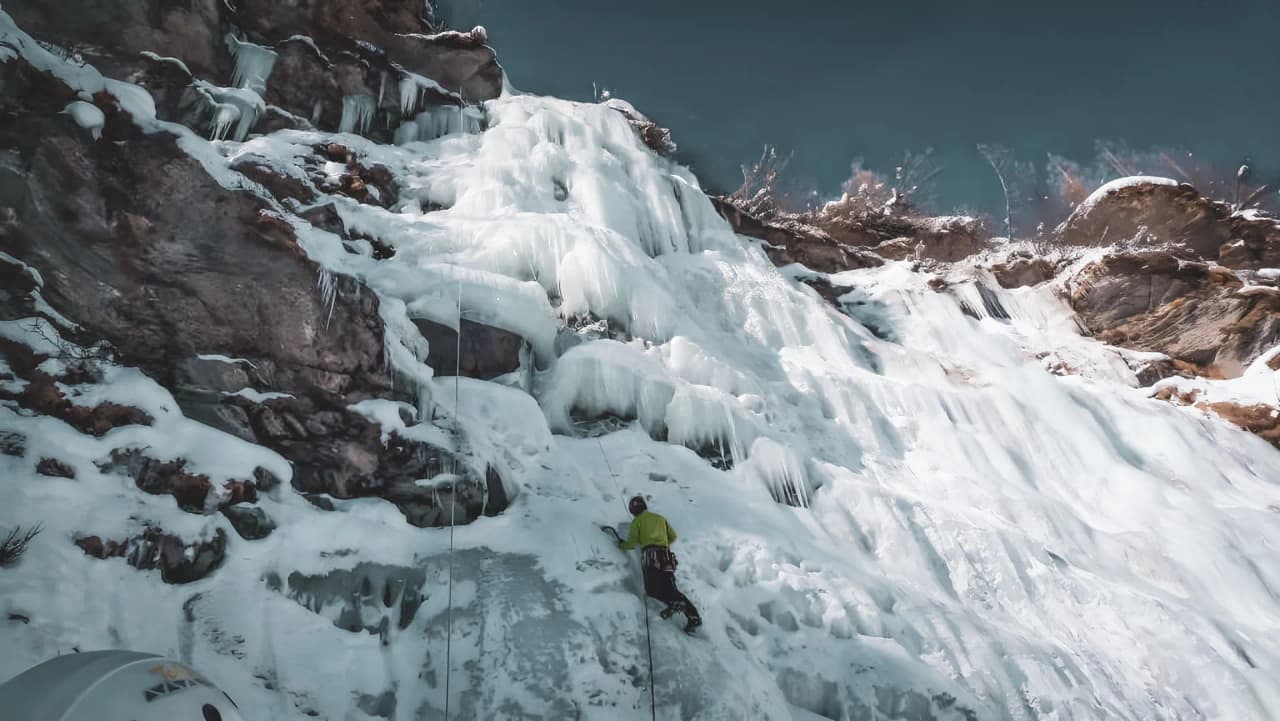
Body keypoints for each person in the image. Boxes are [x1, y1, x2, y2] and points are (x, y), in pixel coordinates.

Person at [618, 495, 702, 633]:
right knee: (670, 588)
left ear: (632, 510)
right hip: (666, 557)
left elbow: (631, 544)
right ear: (644, 506)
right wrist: (661, 542)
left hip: (650, 557)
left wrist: (621, 544)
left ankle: (674, 604)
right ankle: (693, 617)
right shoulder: (660, 518)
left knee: (652, 590)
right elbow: (673, 536)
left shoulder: (637, 521)